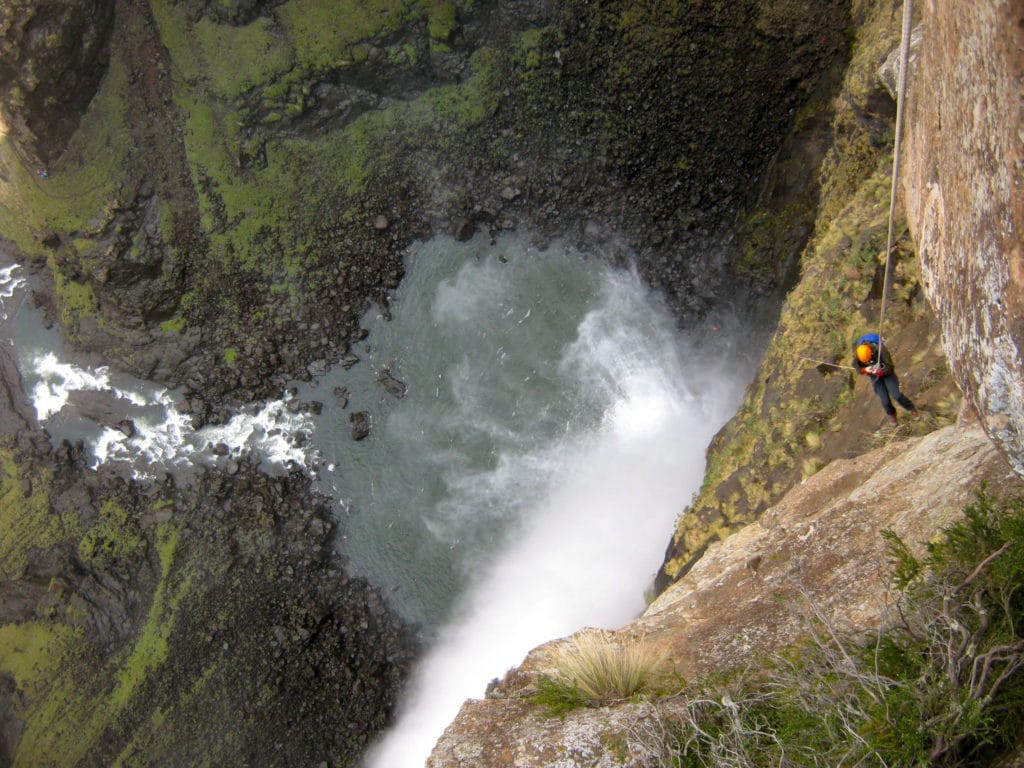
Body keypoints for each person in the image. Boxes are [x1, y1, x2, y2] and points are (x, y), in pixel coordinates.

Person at [853, 333, 919, 424]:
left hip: (887, 373)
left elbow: (890, 367)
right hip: (874, 375)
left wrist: (880, 372)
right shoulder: (859, 355)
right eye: (866, 361)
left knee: (897, 395)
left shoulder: (881, 350)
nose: (868, 362)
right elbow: (856, 367)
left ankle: (911, 408)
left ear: (871, 353)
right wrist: (866, 369)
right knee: (885, 401)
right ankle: (892, 415)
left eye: (869, 360)